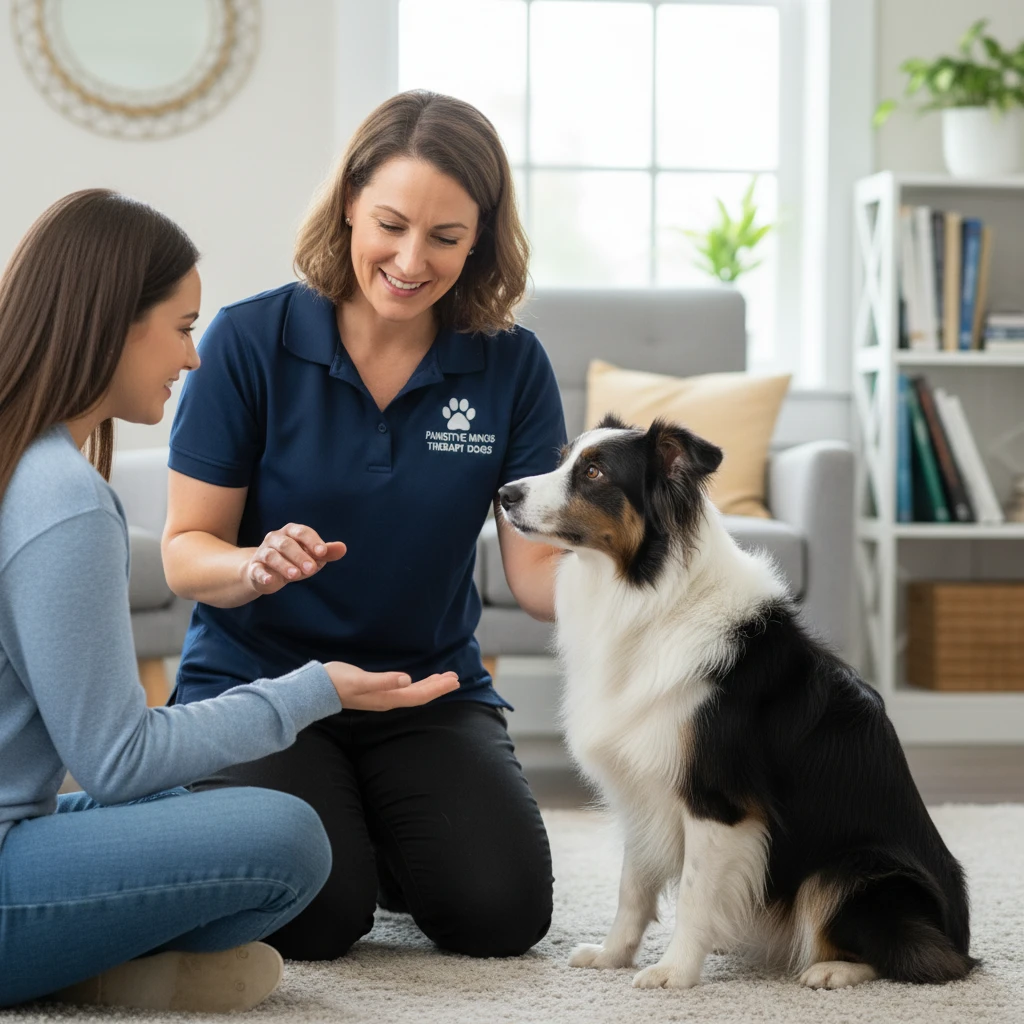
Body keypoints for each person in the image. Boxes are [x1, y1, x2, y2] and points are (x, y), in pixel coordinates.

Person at [0, 189, 459, 1012]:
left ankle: (98, 962)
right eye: (182, 328)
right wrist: (315, 689)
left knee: (191, 804)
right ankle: (90, 966)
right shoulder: (63, 500)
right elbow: (117, 762)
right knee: (284, 837)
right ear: (112, 323)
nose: (193, 359)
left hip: (17, 827)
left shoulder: (24, 468)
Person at [161, 90, 567, 961]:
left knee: (500, 915)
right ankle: (330, 831)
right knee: (311, 919)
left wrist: (663, 584)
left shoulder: (511, 364)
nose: (411, 261)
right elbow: (186, 553)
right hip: (262, 690)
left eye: (446, 238)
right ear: (349, 201)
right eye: (390, 224)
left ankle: (376, 834)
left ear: (482, 238)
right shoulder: (248, 340)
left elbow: (538, 577)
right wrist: (254, 564)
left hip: (424, 691)